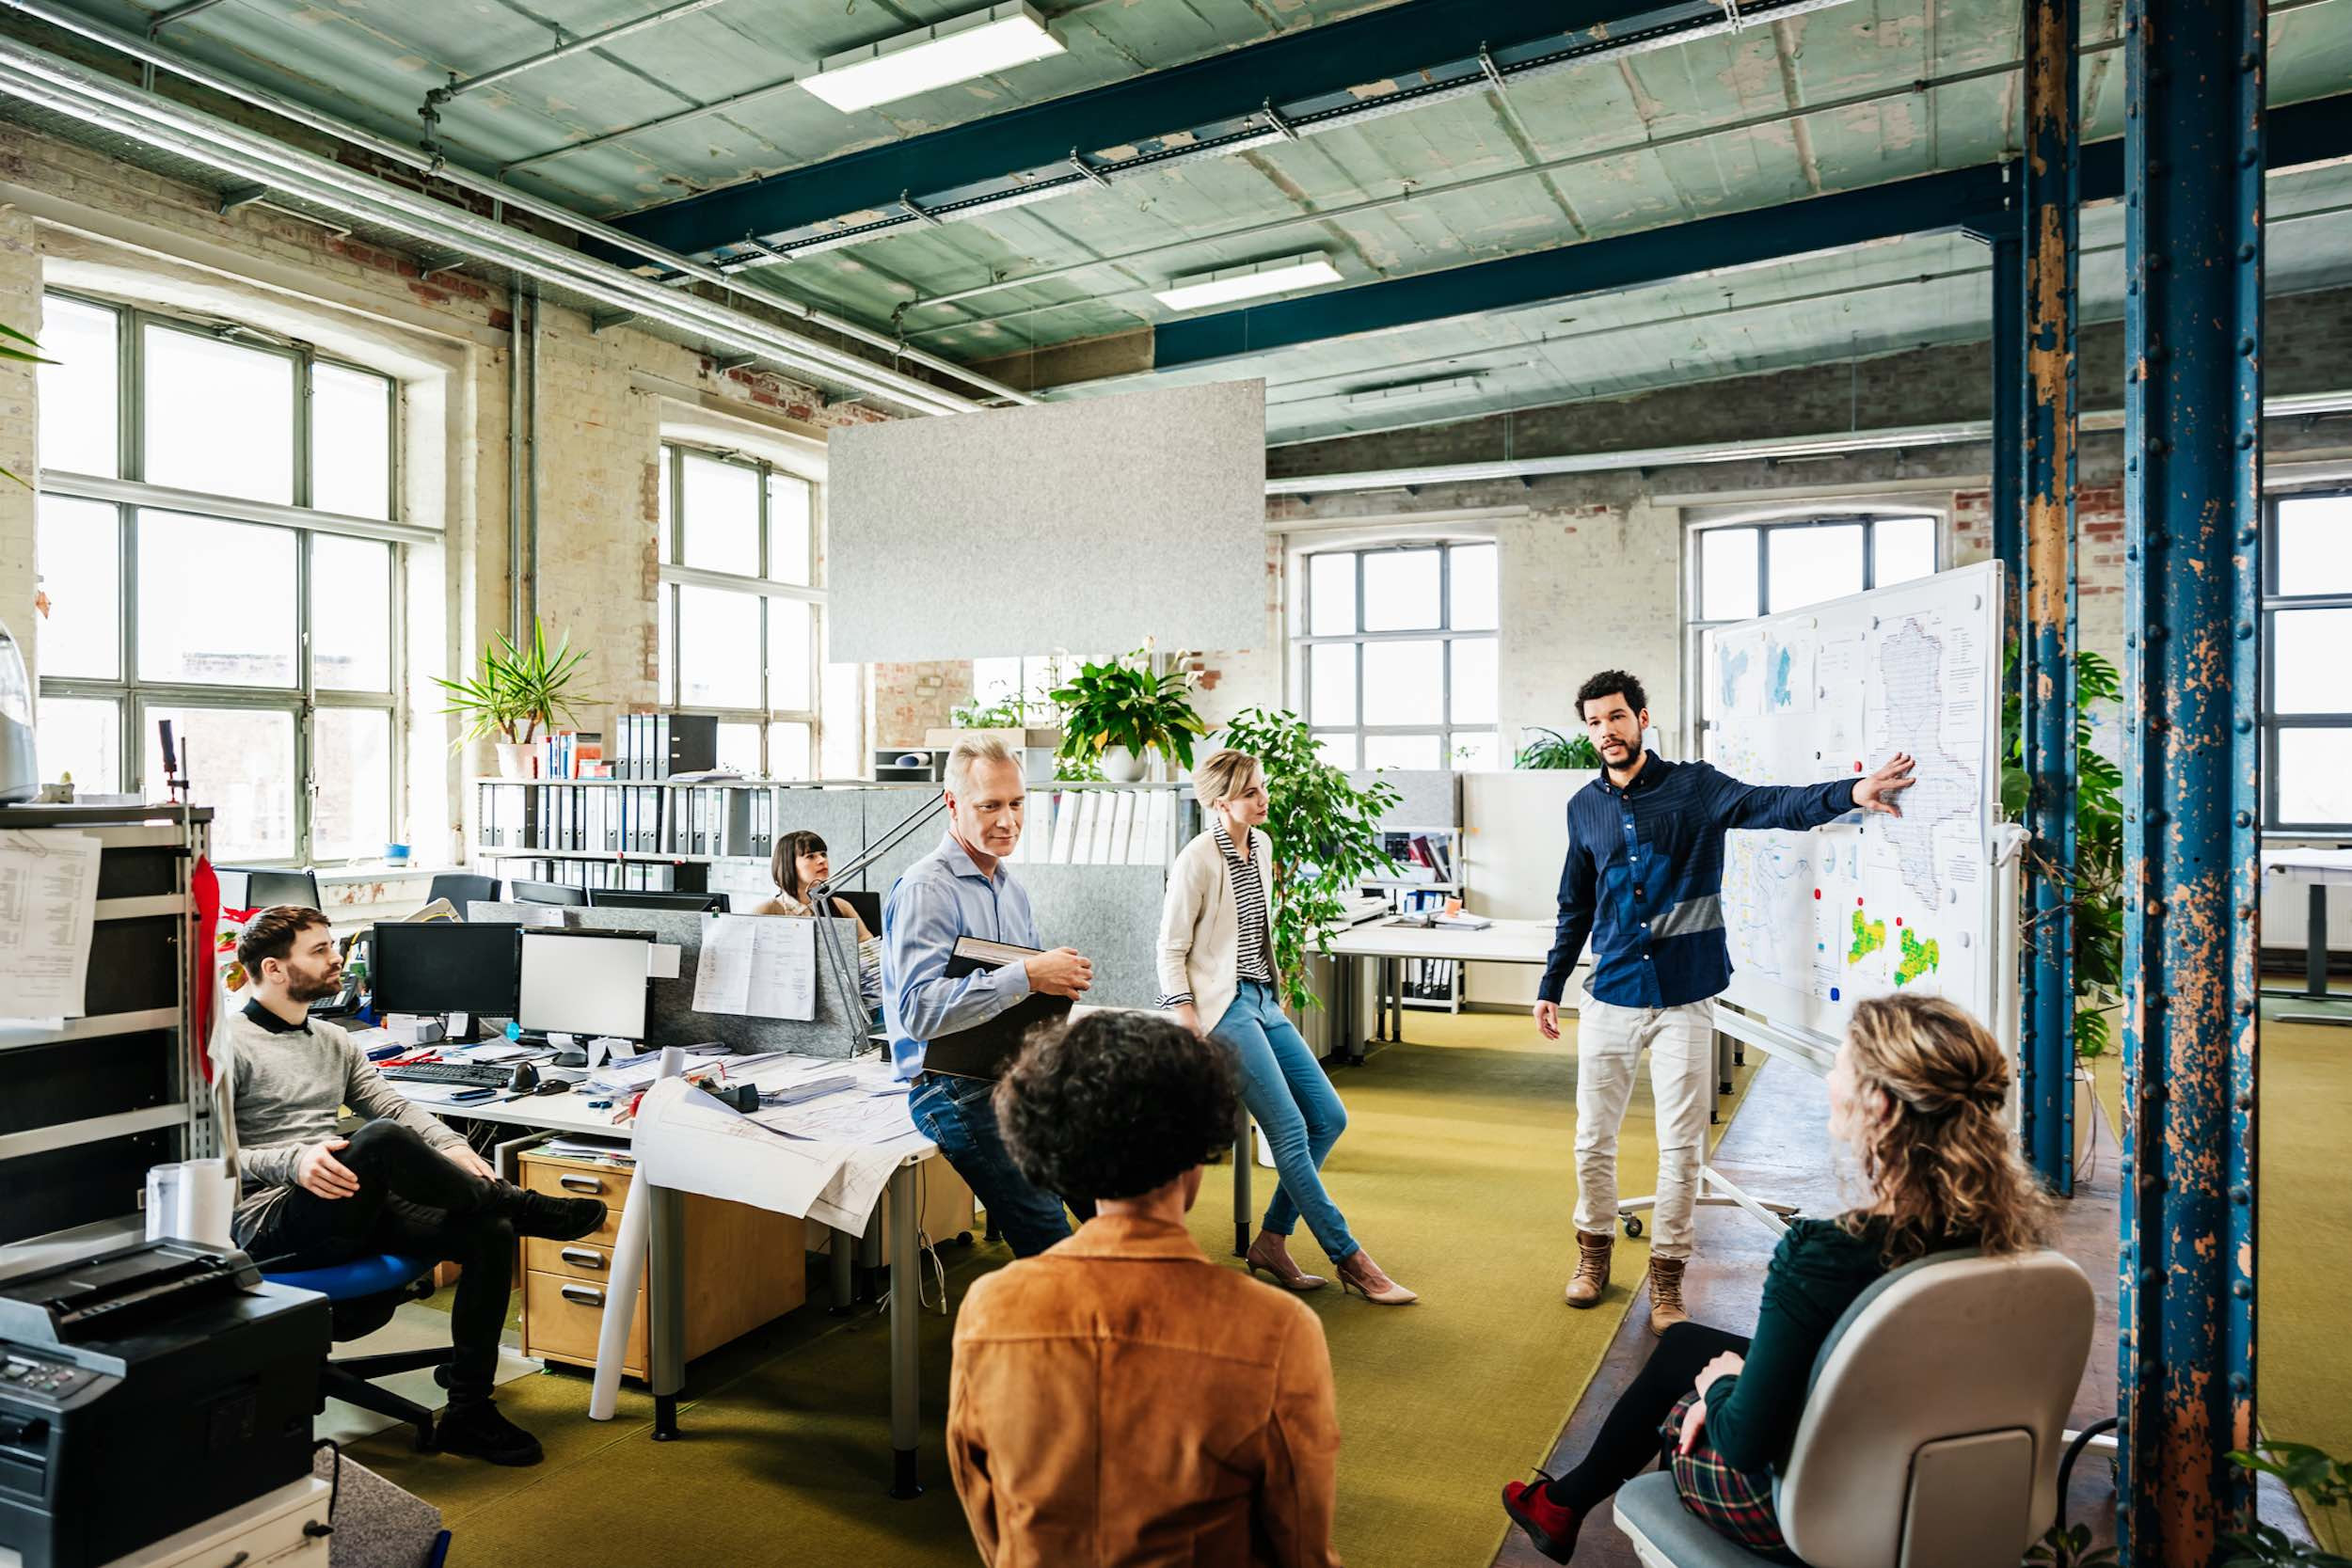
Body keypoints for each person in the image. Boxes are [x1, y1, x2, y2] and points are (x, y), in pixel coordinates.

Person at [1502, 993, 2050, 1560]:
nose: (1832, 1073)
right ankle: (1561, 1503)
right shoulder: (2018, 1241)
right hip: (1951, 1485)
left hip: (1813, 1507)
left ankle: (1585, 1506)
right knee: (1689, 1343)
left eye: (1844, 1061)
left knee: (1685, 1414)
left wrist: (1721, 1387)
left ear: (1879, 1107)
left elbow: (1743, 1442)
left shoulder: (1824, 1257)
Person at [1537, 670, 1917, 1333]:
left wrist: (1852, 792)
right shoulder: (1583, 808)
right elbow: (1575, 903)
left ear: (1643, 717)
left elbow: (1773, 803)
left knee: (1681, 1147)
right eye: (1595, 722)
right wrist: (1551, 983)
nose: (1607, 731)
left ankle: (1667, 1275)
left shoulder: (1694, 788)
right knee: (1591, 1140)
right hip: (1611, 994)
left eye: (1617, 717)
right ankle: (1592, 1253)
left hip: (1685, 995)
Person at [948, 1009, 1343, 1568]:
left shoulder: (990, 1307)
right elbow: (1299, 1541)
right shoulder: (1277, 1328)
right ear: (1197, 1152)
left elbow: (986, 1506)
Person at [227, 906, 609, 1466]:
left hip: (348, 1205)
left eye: (332, 945)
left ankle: (468, 1412)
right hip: (271, 1218)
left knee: (490, 1229)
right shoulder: (226, 1045)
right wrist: (294, 1161)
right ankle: (525, 1204)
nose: (337, 958)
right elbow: (207, 1153)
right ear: (275, 969)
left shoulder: (334, 1040)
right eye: (320, 950)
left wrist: (454, 1148)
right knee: (377, 1141)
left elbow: (396, 1105)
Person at [1158, 747, 1414, 1305]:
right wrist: (1186, 1018)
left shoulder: (1262, 845)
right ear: (1221, 799)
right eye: (1250, 792)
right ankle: (1353, 1259)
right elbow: (1170, 947)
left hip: (1264, 1001)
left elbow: (1253, 933)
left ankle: (1271, 1241)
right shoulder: (1197, 859)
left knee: (1328, 1117)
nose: (1263, 798)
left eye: (1262, 788)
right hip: (1222, 1008)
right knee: (1290, 1131)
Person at [884, 735, 1098, 1257]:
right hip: (950, 1088)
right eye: (991, 806)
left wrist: (1053, 984)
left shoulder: (1010, 887)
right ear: (952, 804)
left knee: (1112, 1197)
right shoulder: (926, 889)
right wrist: (1027, 974)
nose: (1009, 821)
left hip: (1009, 1070)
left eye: (1017, 803)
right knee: (1052, 1239)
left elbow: (1012, 1000)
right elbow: (918, 1012)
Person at [755, 829, 874, 937]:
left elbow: (869, 946)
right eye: (810, 856)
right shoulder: (765, 912)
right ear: (788, 864)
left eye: (823, 854)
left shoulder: (842, 906)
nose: (822, 860)